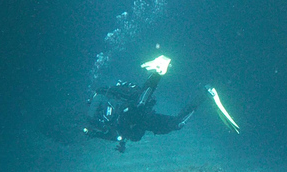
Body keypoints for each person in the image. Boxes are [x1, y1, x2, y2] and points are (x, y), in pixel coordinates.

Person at [84, 55, 239, 152]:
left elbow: (113, 100)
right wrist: (119, 142)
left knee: (139, 103)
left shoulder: (100, 103)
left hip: (135, 110)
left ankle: (158, 71)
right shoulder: (104, 125)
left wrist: (102, 94)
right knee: (177, 124)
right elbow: (116, 135)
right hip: (144, 120)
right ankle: (206, 94)